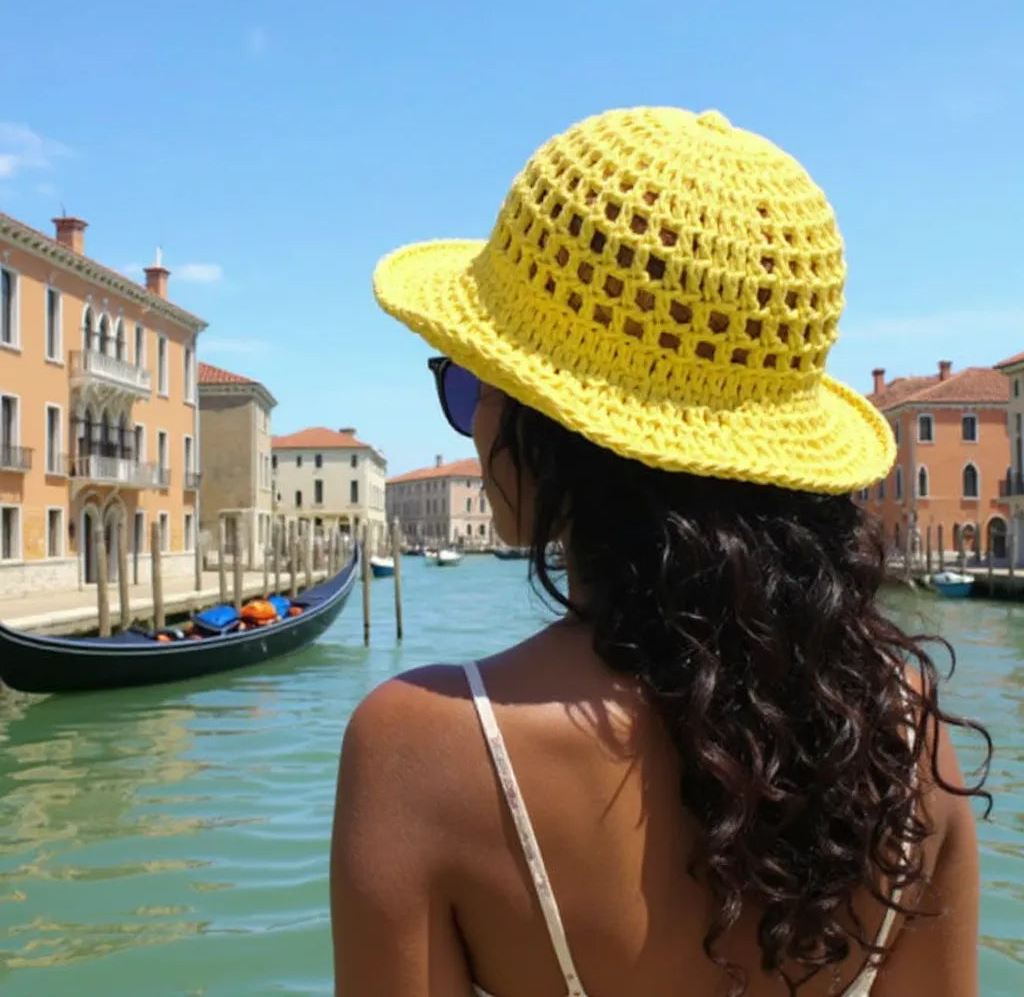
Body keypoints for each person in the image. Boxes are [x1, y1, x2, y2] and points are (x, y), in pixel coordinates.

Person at [331, 107, 990, 996]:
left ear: (550, 420)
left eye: (470, 381)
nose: (473, 417)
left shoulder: (424, 749)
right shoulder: (908, 732)